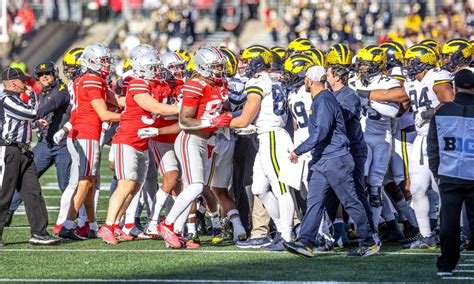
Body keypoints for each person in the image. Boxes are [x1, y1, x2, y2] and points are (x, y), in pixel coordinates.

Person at [284, 66, 377, 258]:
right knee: (315, 201)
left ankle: (369, 241)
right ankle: (306, 242)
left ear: (310, 81)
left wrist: (298, 150)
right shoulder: (322, 98)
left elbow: (321, 132)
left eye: (305, 79)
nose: (304, 82)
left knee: (350, 201)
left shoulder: (325, 99)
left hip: (335, 158)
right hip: (323, 158)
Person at [5, 61, 71, 225]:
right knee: (25, 182)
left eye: (48, 73)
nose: (44, 76)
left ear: (54, 74)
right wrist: (35, 122)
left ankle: (77, 220)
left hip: (63, 144)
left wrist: (32, 115)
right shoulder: (41, 93)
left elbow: (49, 106)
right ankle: (7, 215)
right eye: (41, 75)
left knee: (67, 185)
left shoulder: (61, 90)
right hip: (45, 144)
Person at [0, 67, 60, 246]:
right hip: (8, 151)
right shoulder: (6, 99)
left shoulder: (15, 99)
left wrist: (33, 125)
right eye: (22, 81)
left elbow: (23, 120)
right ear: (11, 82)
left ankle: (39, 233)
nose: (25, 84)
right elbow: (31, 112)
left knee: (33, 192)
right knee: (4, 194)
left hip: (23, 151)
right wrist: (33, 96)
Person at [427, 69, 474, 277]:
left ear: (454, 87)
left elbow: (432, 144)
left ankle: (446, 265)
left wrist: (436, 168)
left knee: (449, 222)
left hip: (449, 172)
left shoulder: (442, 111)